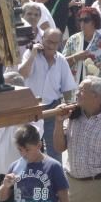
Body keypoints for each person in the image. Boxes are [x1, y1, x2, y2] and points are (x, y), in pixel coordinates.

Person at [19, 28, 76, 162]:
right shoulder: (30, 53)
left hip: (52, 108)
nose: (51, 46)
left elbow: (68, 88)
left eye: (55, 43)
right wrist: (32, 55)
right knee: (30, 147)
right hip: (31, 108)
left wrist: (69, 114)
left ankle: (55, 177)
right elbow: (22, 74)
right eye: (49, 42)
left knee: (54, 148)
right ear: (42, 39)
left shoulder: (61, 60)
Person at [63, 6, 101, 87]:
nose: (82, 23)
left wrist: (100, 65)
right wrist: (76, 57)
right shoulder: (72, 40)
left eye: (86, 20)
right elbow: (62, 63)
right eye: (80, 20)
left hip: (96, 91)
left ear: (94, 21)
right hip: (73, 89)